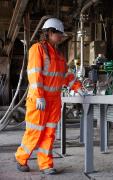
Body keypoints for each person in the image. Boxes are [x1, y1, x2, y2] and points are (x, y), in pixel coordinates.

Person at [15, 18, 83, 175]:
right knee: (34, 132)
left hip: (53, 101)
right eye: (59, 34)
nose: (61, 38)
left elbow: (65, 75)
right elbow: (34, 74)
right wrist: (39, 96)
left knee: (49, 134)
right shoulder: (37, 49)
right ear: (50, 32)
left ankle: (45, 164)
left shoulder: (58, 54)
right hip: (39, 100)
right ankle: (21, 158)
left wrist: (78, 87)